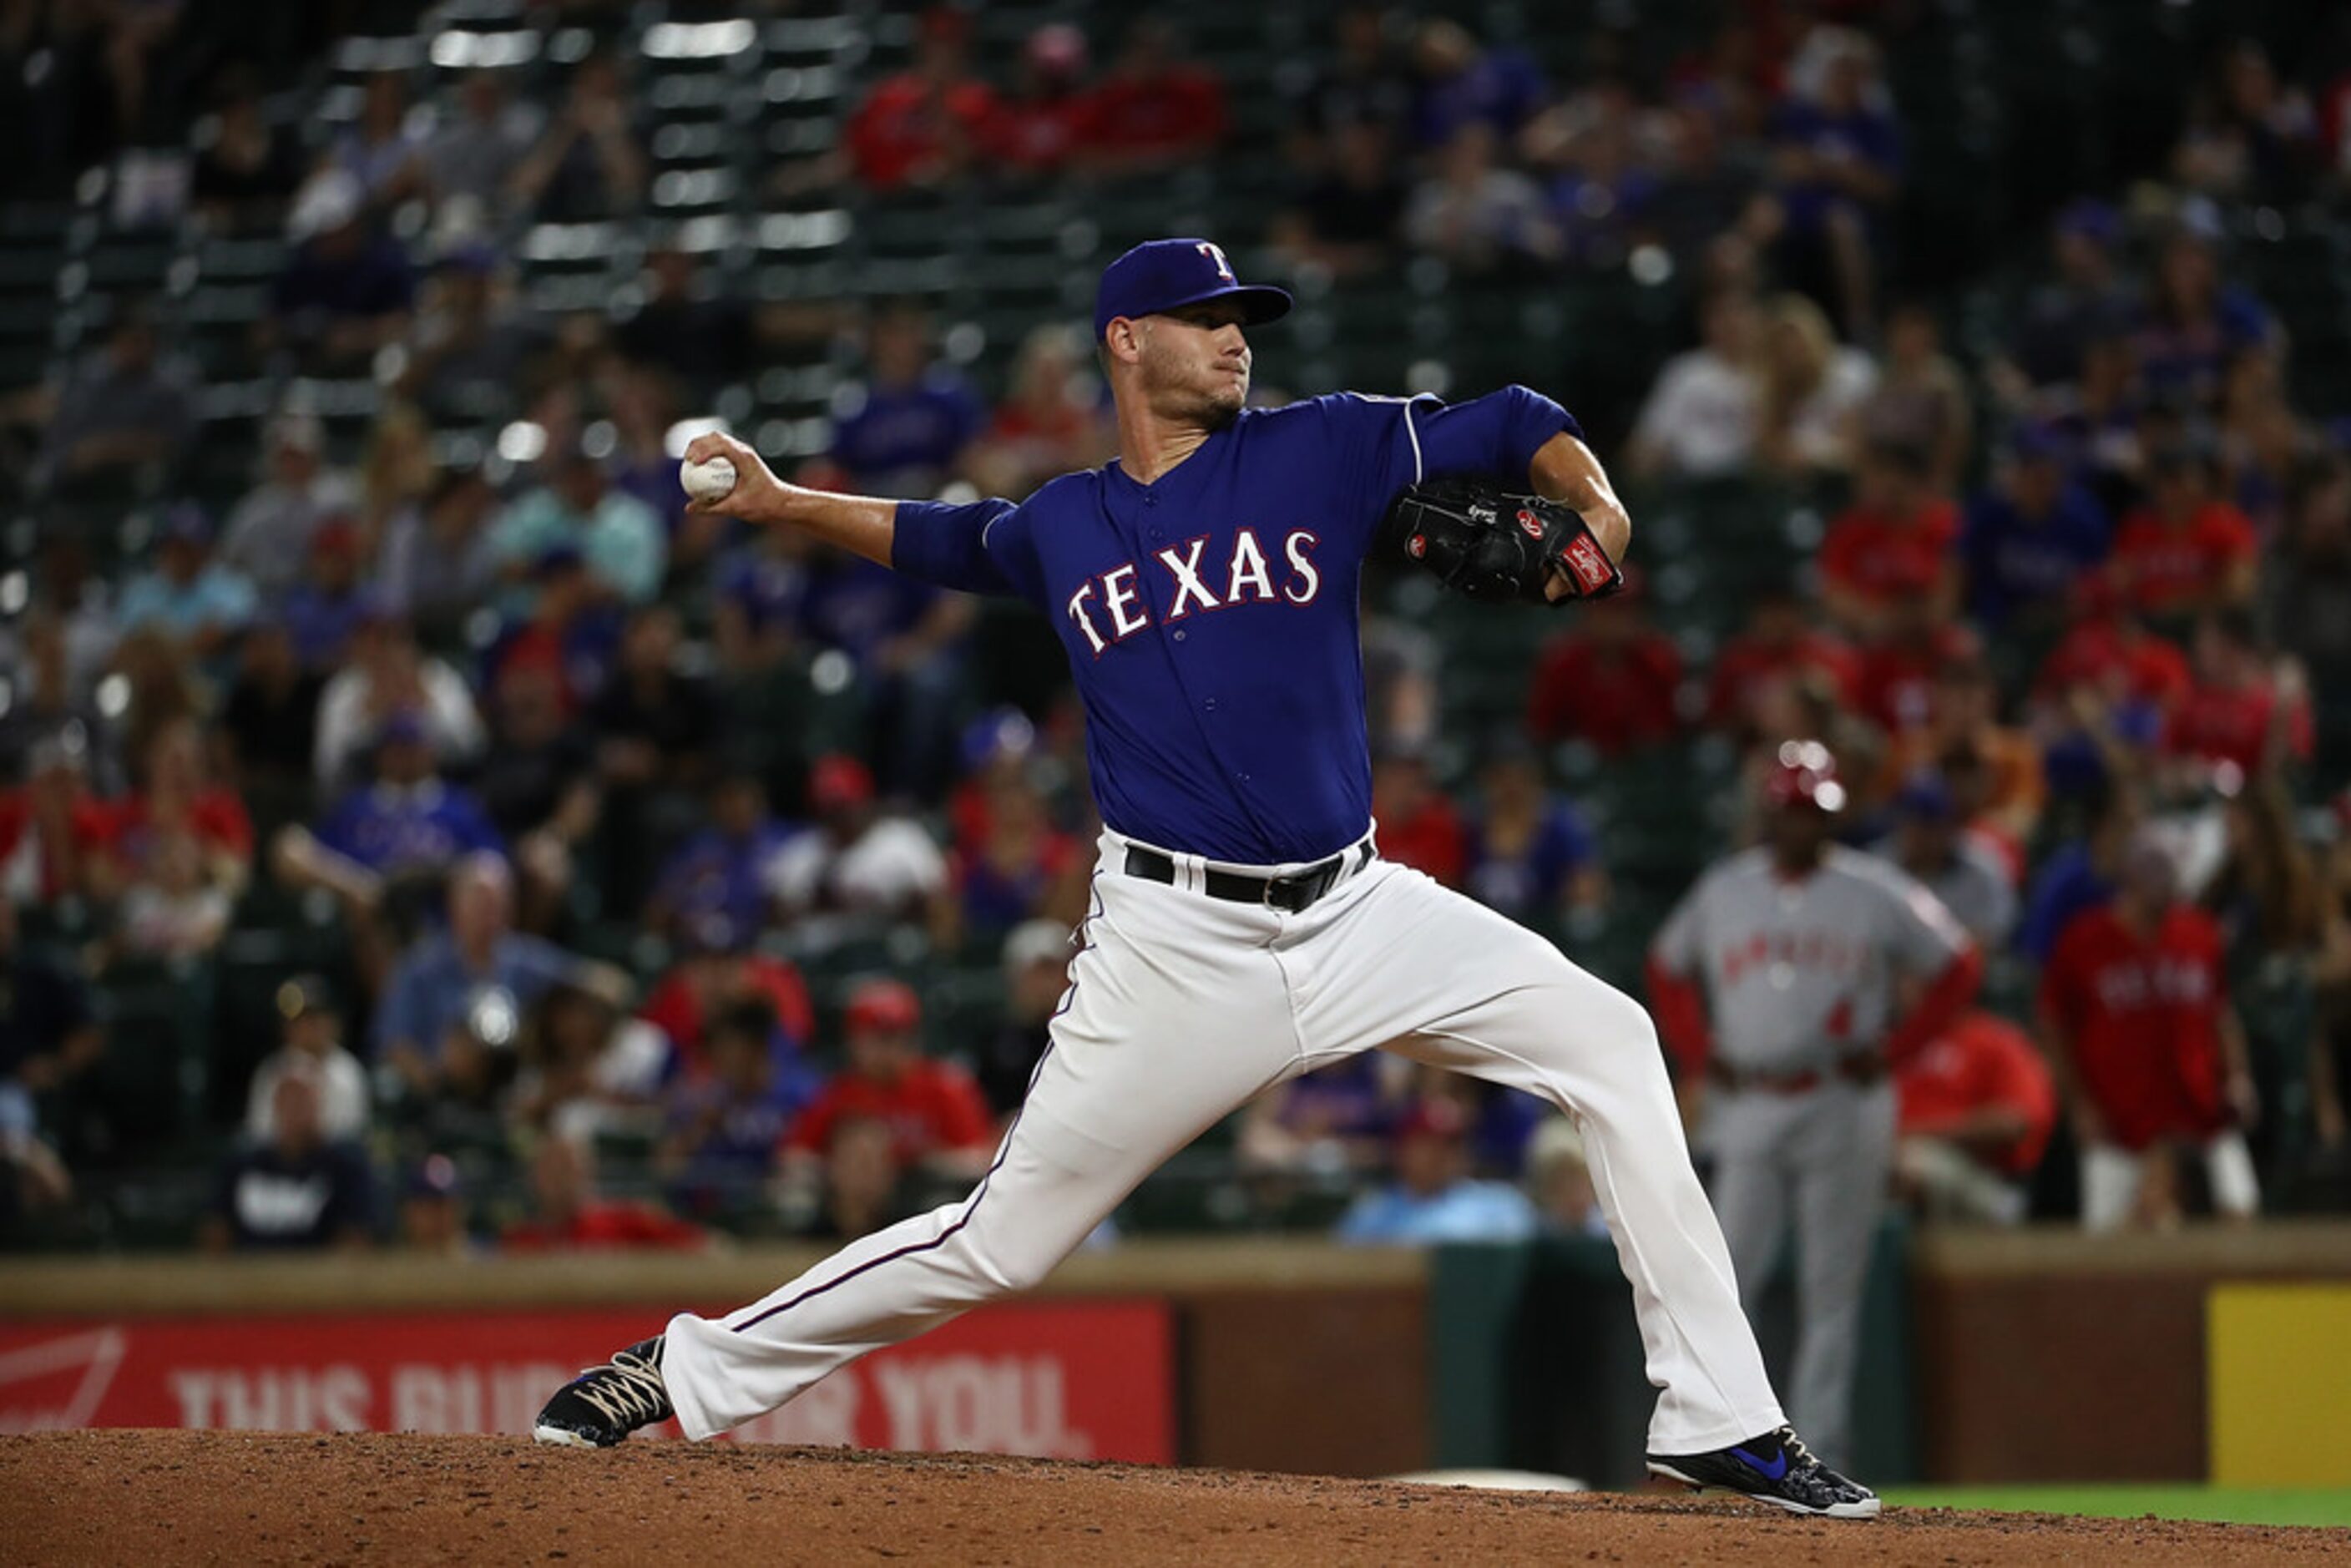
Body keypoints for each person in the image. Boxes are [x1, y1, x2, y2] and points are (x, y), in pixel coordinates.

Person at [538, 236, 1877, 1518]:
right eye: (1210, 318)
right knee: (998, 1240)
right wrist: (779, 500)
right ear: (1128, 341)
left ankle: (1719, 1420)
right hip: (1172, 943)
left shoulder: (1322, 445)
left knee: (1612, 1039)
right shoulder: (1066, 523)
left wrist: (1601, 509)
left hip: (1359, 908)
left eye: (1247, 320)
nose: (1239, 338)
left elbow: (1517, 412)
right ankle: (684, 1367)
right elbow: (945, 538)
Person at [1647, 743, 1979, 1474]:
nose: (1804, 825)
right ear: (1770, 813)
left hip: (1843, 1099)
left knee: (1832, 1289)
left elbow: (1959, 964)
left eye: (1815, 812)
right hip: (1751, 1101)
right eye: (1793, 810)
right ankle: (1731, 1441)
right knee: (1729, 1279)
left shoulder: (1872, 888)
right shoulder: (1726, 888)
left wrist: (1897, 1051)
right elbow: (1666, 967)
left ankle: (1816, 1453)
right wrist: (1700, 1053)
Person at [2039, 832, 2261, 1231]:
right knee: (2109, 1249)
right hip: (2120, 1122)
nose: (2164, 883)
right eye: (2153, 873)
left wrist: (2238, 1075)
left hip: (2200, 1112)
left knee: (2240, 1219)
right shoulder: (2084, 940)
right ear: (2128, 876)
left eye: (2169, 873)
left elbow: (2220, 1013)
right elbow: (2055, 1027)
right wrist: (2079, 1105)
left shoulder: (2199, 933)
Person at [370, 852, 611, 1101]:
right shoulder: (419, 968)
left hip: (515, 1102)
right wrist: (436, 1085)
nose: (490, 915)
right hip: (439, 1101)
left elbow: (600, 984)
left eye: (499, 904)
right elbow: (394, 1044)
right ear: (455, 905)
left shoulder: (524, 961)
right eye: (481, 903)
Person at [781, 978, 993, 1183]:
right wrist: (846, 1168)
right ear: (854, 1041)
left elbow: (980, 1160)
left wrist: (925, 1165)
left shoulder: (946, 1087)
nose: (889, 1049)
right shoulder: (839, 1094)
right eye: (878, 1038)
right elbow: (794, 1158)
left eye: (898, 1036)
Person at [1893, 1010, 2057, 1225]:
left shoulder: (1992, 1039)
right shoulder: (1887, 1046)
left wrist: (1910, 1135)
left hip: (1981, 1178)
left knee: (1909, 1159)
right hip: (1885, 1162)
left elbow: (2013, 1124)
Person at [201, 1067, 376, 1252]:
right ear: (274, 1105)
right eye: (287, 1100)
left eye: (303, 1100)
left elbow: (355, 1240)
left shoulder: (344, 1167)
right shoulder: (241, 1164)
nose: (294, 1109)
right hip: (247, 1275)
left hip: (318, 1276)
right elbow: (215, 1231)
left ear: (321, 1104)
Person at [1332, 1095, 1539, 1244]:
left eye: (1451, 1144)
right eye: (1428, 1144)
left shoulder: (1500, 1207)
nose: (1441, 1154)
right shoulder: (1374, 1214)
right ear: (1402, 1151)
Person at [1626, 291, 1763, 480]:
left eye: (1739, 314)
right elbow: (1650, 441)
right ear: (1707, 323)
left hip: (1753, 482)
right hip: (1692, 485)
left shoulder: (1770, 371)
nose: (1732, 324)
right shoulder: (1685, 372)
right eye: (1722, 316)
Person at [1874, 774, 2018, 950]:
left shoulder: (1981, 867)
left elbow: (1995, 931)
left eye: (1932, 827)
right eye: (1915, 825)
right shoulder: (1877, 864)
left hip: (1960, 968)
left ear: (1951, 826)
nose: (1923, 837)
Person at [503, 1133, 709, 1252]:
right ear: (533, 1177)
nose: (559, 1179)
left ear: (586, 1172)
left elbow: (705, 1247)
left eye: (566, 1168)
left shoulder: (628, 1221)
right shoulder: (520, 1240)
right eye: (549, 1169)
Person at [244, 974, 368, 1144]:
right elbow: (260, 1135)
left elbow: (346, 1139)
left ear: (333, 1023)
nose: (305, 1028)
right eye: (297, 1021)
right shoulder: (270, 1070)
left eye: (313, 1020)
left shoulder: (347, 1072)